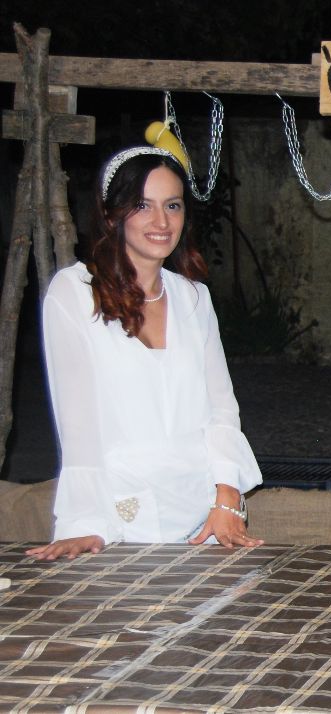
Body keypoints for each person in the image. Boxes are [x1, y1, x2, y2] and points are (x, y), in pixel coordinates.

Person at [28, 146, 263, 560]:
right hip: (121, 520)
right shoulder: (75, 293)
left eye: (172, 205)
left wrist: (227, 497)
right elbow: (77, 422)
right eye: (142, 205)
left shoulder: (194, 298)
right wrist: (83, 522)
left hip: (205, 518)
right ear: (111, 214)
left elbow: (221, 410)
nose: (162, 221)